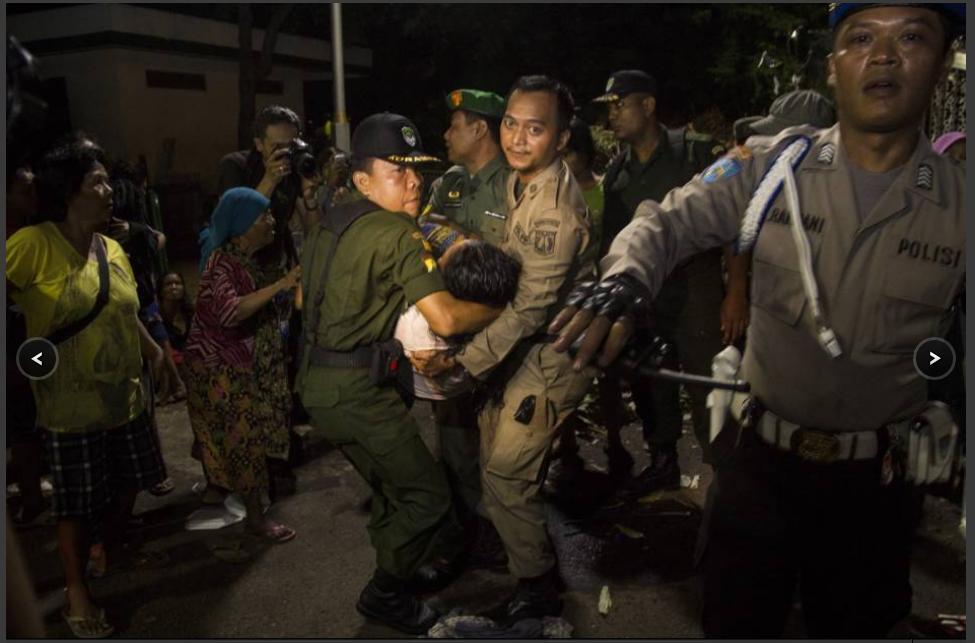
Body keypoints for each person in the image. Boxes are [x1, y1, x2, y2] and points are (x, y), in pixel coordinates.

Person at [550, 4, 966, 636]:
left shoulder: (960, 206)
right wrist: (626, 279)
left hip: (875, 486)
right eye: (861, 38)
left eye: (912, 37)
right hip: (763, 470)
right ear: (833, 69)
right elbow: (665, 221)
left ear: (939, 69)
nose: (883, 56)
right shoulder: (772, 167)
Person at [296, 112, 505, 634]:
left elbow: (302, 298)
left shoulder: (329, 222)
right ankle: (386, 591)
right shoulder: (397, 232)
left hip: (315, 387)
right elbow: (447, 318)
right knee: (428, 498)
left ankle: (400, 568)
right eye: (397, 172)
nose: (414, 182)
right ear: (363, 180)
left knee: (392, 489)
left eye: (417, 170)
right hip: (359, 394)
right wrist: (511, 311)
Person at [415, 75, 595, 623]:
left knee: (506, 475)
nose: (516, 139)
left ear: (561, 139)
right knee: (501, 475)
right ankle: (529, 570)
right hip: (519, 353)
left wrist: (463, 363)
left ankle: (538, 588)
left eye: (534, 129)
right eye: (511, 124)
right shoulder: (523, 183)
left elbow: (528, 310)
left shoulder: (554, 211)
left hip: (551, 354)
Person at [7, 141, 171, 638]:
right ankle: (77, 590)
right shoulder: (32, 244)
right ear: (69, 193)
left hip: (125, 397)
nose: (109, 191)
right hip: (69, 405)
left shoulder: (114, 248)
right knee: (75, 506)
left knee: (129, 484)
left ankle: (104, 543)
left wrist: (156, 352)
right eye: (97, 182)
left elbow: (124, 308)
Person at [592, 69, 733, 486]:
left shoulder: (696, 153)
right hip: (648, 293)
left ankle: (722, 470)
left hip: (697, 285)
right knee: (652, 380)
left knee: (707, 381)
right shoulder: (617, 172)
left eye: (620, 105)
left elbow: (736, 224)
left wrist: (736, 292)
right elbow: (616, 242)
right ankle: (663, 460)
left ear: (648, 105)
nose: (612, 116)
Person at [421, 89, 513, 558]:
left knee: (502, 439)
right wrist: (464, 240)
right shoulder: (449, 184)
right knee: (454, 434)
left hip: (503, 331)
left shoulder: (517, 184)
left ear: (480, 129)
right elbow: (424, 230)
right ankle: (468, 525)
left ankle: (504, 527)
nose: (446, 135)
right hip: (453, 327)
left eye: (454, 125)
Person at [184, 187, 300, 542]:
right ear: (243, 223)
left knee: (243, 441)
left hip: (236, 365)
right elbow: (231, 312)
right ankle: (255, 518)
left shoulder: (248, 260)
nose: (271, 222)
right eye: (263, 216)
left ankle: (243, 503)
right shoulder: (221, 262)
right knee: (243, 442)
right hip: (220, 369)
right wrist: (281, 285)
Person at [217, 105, 314, 495]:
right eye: (276, 146)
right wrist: (271, 180)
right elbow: (233, 223)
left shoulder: (292, 168)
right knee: (250, 367)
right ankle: (252, 459)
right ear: (257, 143)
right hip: (244, 277)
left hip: (281, 275)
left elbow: (303, 223)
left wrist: (309, 185)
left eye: (291, 146)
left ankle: (279, 443)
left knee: (282, 362)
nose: (284, 154)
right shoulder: (235, 167)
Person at [395, 239, 522, 400]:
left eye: (440, 265)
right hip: (461, 388)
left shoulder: (415, 323)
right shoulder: (493, 308)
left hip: (420, 388)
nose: (437, 261)